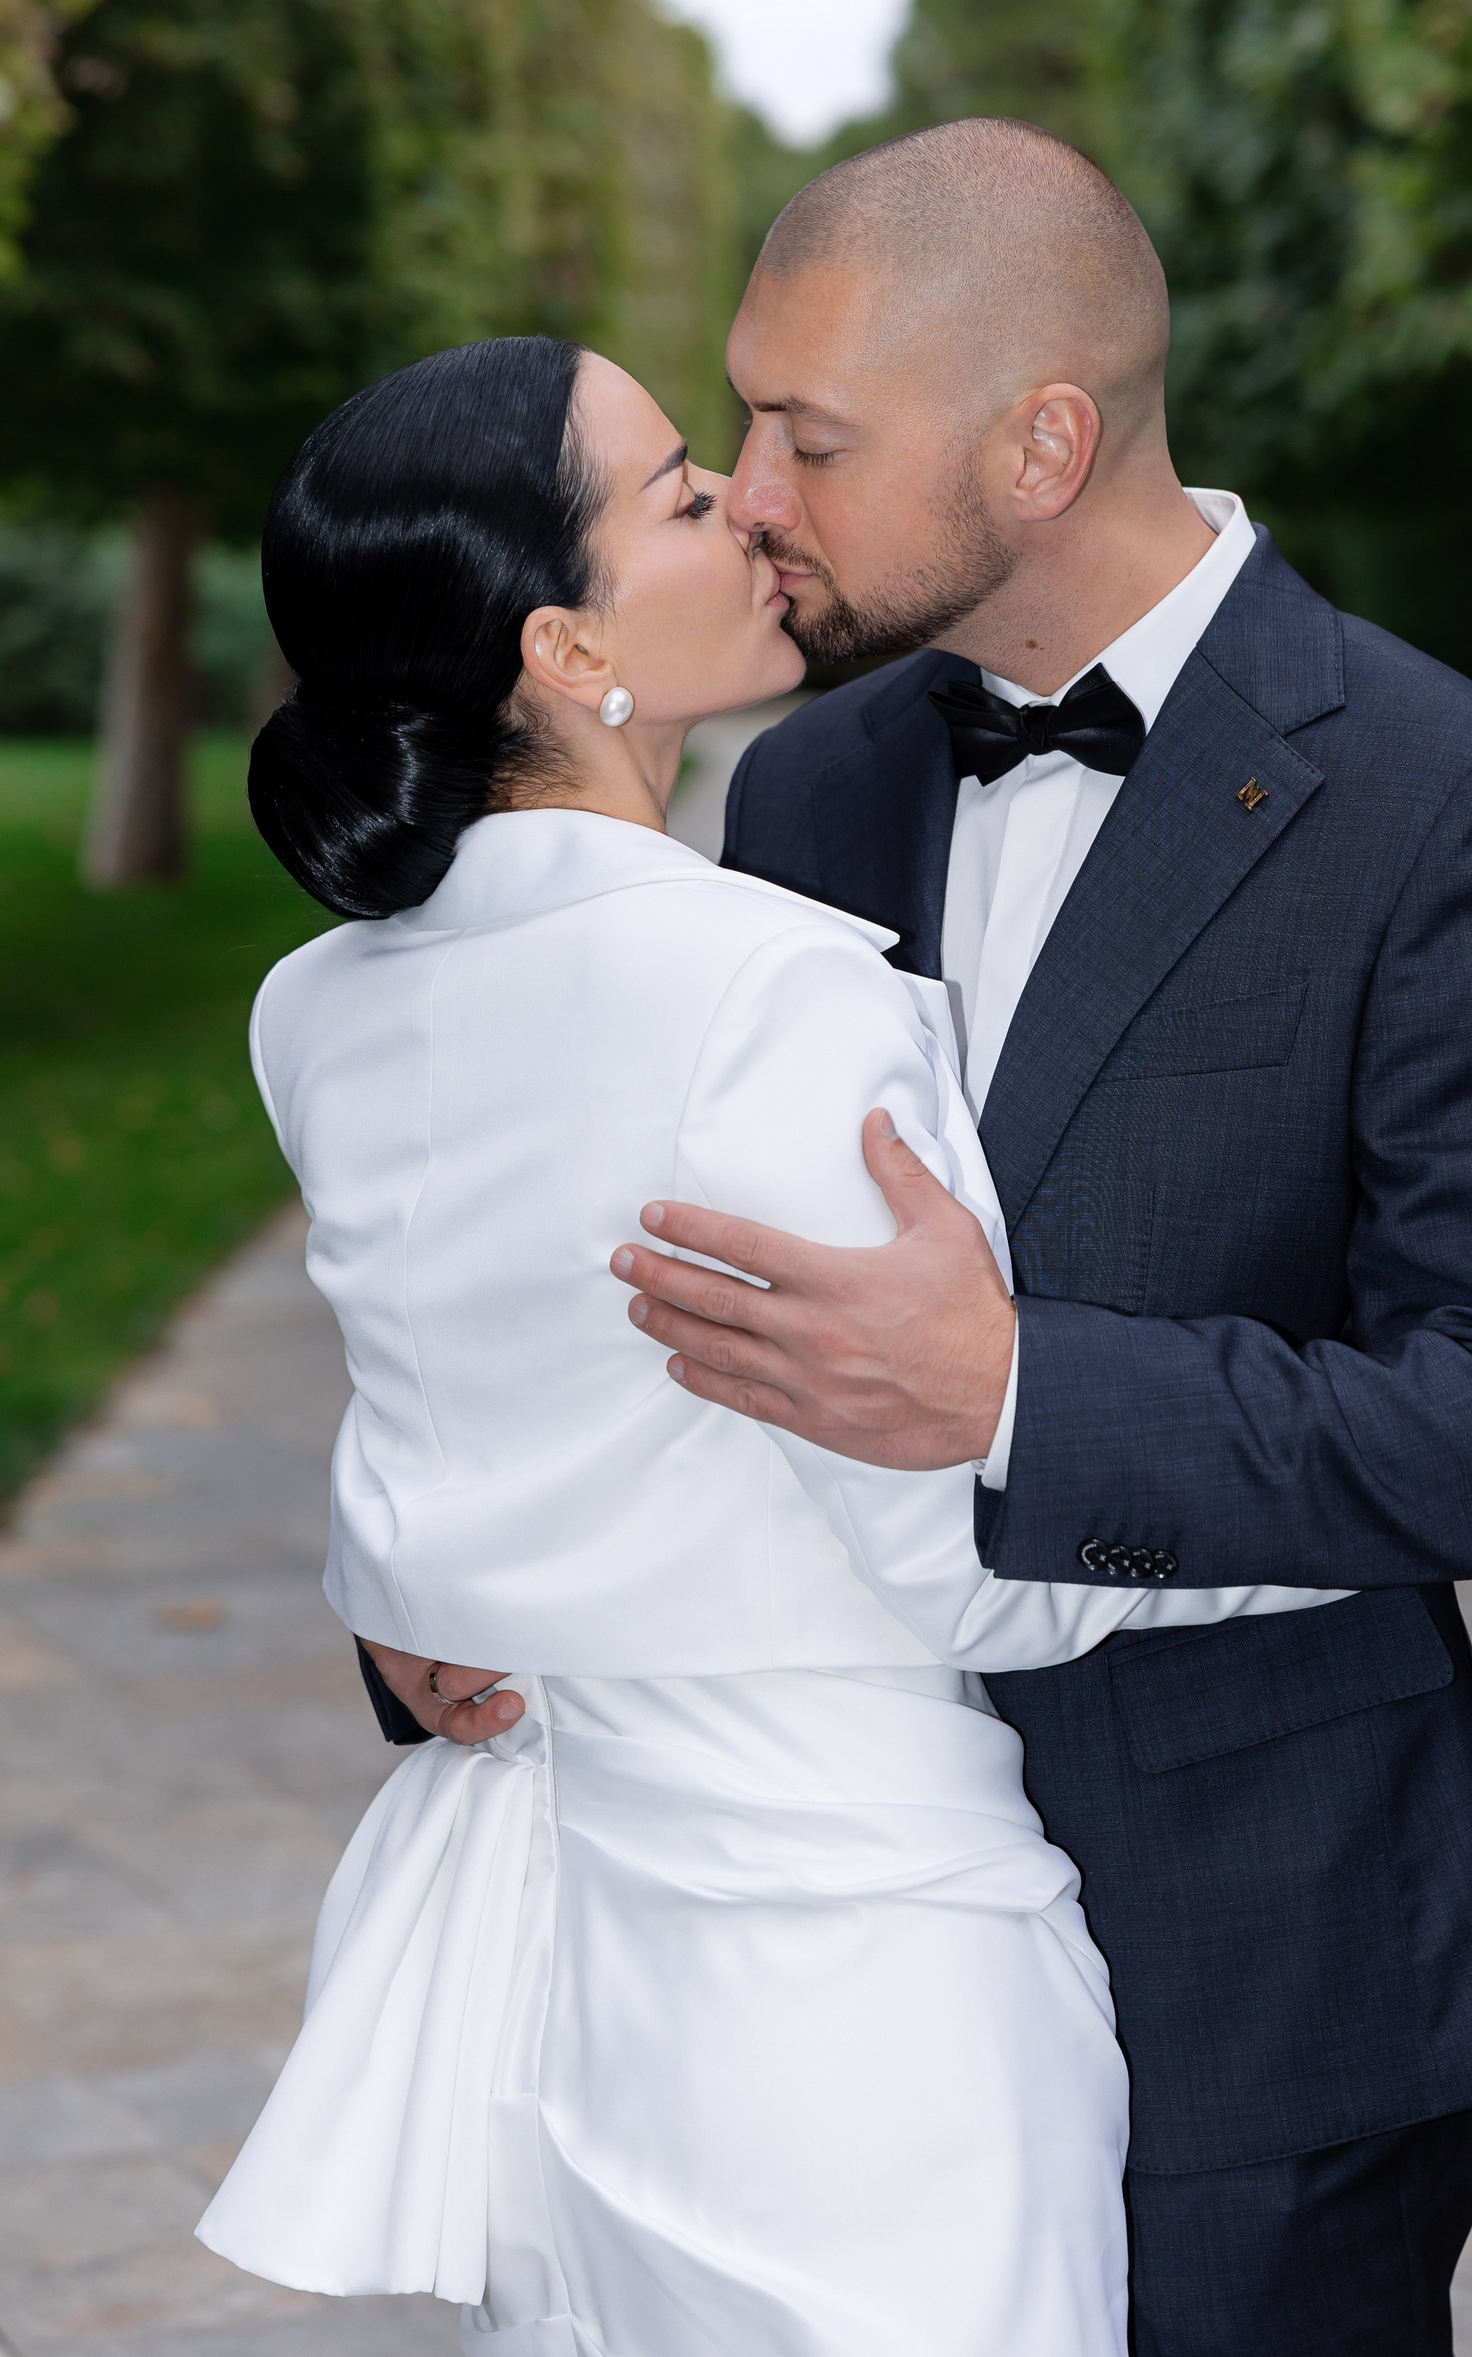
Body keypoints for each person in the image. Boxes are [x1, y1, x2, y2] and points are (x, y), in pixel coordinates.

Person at [590, 119, 1472, 2353]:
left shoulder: (1454, 805)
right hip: (819, 1944)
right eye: (744, 423)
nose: (749, 494)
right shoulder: (809, 783)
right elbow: (701, 1295)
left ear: (1043, 445)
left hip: (1259, 1986)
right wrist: (458, 1602)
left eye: (809, 439)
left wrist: (1019, 1394)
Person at [194, 331, 1348, 2357]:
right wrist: (1336, 1513)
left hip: (545, 1966)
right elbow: (958, 1559)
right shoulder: (780, 992)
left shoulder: (315, 1011)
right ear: (566, 646)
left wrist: (405, 1594)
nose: (746, 502)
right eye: (678, 492)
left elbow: (457, 1444)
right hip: (843, 1989)